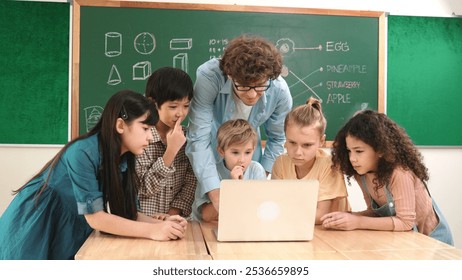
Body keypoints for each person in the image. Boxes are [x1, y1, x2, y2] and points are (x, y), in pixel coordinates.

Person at [0, 90, 188, 260]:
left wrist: (163, 224)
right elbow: (96, 218)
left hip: (69, 223)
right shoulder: (82, 152)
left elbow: (127, 213)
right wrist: (153, 230)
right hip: (37, 221)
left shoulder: (124, 158)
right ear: (120, 125)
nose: (149, 137)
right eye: (145, 129)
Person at [186, 34, 292, 214]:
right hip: (211, 151)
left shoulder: (280, 91)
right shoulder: (210, 77)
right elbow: (198, 138)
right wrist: (216, 194)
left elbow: (277, 139)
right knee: (208, 213)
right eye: (243, 86)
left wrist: (258, 180)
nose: (252, 95)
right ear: (230, 75)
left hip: (249, 151)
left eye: (259, 87)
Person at [321, 110, 453, 245]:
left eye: (359, 151)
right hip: (408, 241)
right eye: (349, 151)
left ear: (380, 150)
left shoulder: (400, 172)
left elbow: (405, 222)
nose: (352, 158)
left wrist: (357, 221)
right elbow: (375, 213)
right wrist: (350, 216)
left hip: (433, 242)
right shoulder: (361, 173)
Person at [271, 97, 350, 224]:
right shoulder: (281, 163)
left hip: (333, 234)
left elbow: (321, 216)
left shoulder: (329, 165)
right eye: (292, 142)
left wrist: (281, 214)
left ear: (322, 141)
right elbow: (276, 204)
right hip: (299, 228)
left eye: (307, 145)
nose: (297, 152)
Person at [135, 67, 197, 220]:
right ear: (153, 103)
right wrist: (171, 150)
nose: (180, 113)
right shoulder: (140, 138)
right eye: (173, 106)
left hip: (175, 220)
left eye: (186, 105)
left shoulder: (189, 137)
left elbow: (191, 182)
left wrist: (172, 215)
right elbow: (143, 187)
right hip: (142, 222)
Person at [192, 119, 267, 222]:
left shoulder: (256, 170)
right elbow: (206, 216)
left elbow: (259, 209)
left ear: (253, 150)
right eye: (235, 153)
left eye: (248, 152)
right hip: (206, 228)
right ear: (221, 151)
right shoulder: (210, 172)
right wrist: (232, 187)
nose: (242, 159)